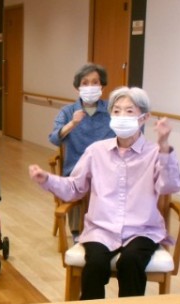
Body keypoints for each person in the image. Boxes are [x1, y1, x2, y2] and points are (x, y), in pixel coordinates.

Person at [30, 87, 180, 300]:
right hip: (101, 229)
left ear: (144, 117)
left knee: (131, 262)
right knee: (95, 265)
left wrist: (164, 145)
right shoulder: (96, 151)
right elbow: (75, 188)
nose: (122, 116)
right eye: (117, 111)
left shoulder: (155, 153)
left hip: (142, 230)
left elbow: (171, 186)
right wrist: (47, 179)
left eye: (129, 111)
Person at [49, 63, 115, 240]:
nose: (90, 86)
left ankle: (108, 230)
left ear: (102, 86)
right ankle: (78, 232)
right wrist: (72, 124)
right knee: (80, 182)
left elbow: (129, 134)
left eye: (95, 82)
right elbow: (54, 138)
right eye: (85, 83)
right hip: (76, 168)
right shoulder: (68, 111)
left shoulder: (112, 110)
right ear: (78, 87)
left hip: (106, 168)